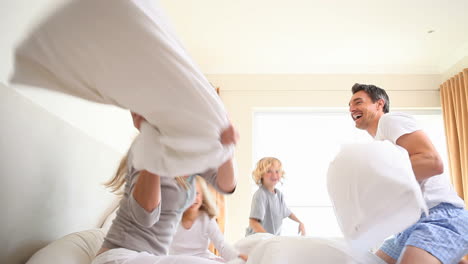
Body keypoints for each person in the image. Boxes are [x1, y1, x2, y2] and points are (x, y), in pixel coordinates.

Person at [92, 113, 240, 264]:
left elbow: (227, 185)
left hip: (150, 257)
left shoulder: (190, 157)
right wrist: (153, 142)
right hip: (120, 257)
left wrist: (227, 148)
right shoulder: (145, 146)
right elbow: (145, 217)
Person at [348, 83, 468, 264]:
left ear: (379, 104)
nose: (352, 109)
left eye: (358, 102)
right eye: (349, 106)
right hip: (408, 226)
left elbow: (432, 163)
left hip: (439, 217)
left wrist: (374, 177)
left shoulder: (389, 121)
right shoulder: (379, 144)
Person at [169, 176, 248, 262]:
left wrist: (237, 256)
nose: (193, 198)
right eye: (188, 193)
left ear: (203, 196)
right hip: (178, 260)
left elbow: (221, 245)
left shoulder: (206, 219)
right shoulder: (172, 218)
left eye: (197, 193)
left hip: (202, 259)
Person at [246, 157, 306, 236]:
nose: (274, 175)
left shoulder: (279, 195)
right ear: (261, 175)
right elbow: (253, 222)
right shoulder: (260, 195)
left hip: (271, 240)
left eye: (277, 171)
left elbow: (288, 212)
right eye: (269, 171)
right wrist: (268, 238)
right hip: (257, 240)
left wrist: (300, 222)